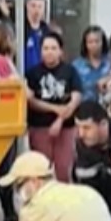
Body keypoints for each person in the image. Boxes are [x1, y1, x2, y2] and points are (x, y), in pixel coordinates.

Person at [25, 32, 82, 181]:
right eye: (45, 48)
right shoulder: (32, 73)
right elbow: (31, 101)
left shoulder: (70, 71)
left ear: (60, 51)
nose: (49, 52)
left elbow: (75, 98)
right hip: (40, 127)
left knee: (64, 170)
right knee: (42, 171)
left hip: (66, 128)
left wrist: (59, 120)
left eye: (53, 48)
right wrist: (54, 109)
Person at [73, 25, 111, 104]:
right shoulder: (76, 66)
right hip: (84, 109)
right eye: (90, 42)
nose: (94, 45)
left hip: (109, 108)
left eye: (97, 41)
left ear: (103, 42)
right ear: (85, 44)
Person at [21, 0, 54, 73]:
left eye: (40, 6)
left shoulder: (47, 31)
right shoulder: (20, 29)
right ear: (27, 7)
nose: (37, 10)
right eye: (33, 6)